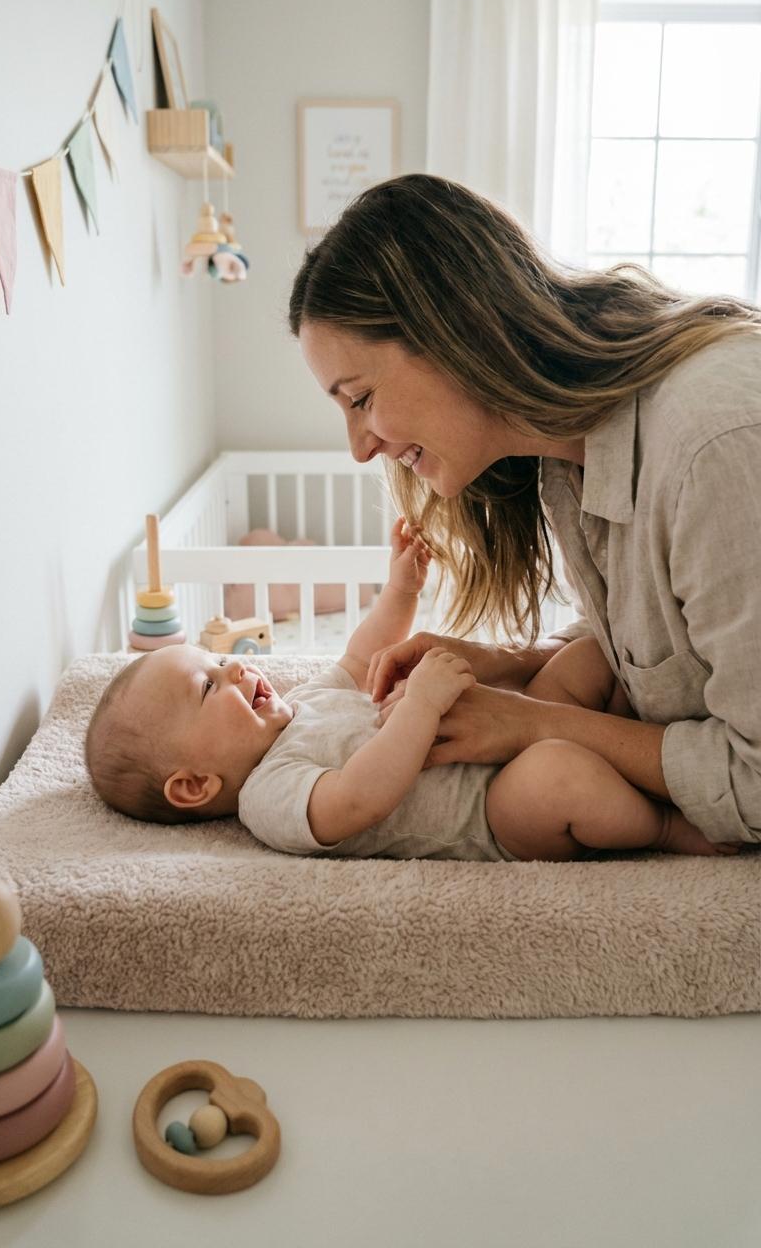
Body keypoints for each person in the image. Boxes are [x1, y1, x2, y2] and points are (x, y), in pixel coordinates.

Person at [288, 172, 761, 848]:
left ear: (453, 331)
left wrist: (535, 722)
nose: (361, 448)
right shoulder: (567, 462)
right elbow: (659, 631)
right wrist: (507, 662)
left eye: (360, 399)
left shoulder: (714, 450)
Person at [86, 520, 736, 861]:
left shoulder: (299, 709)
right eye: (207, 687)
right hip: (494, 809)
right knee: (558, 775)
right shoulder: (268, 796)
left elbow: (361, 655)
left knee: (590, 653)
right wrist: (420, 707)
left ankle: (659, 728)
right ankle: (668, 828)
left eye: (219, 662)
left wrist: (400, 591)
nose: (233, 670)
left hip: (504, 726)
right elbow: (356, 799)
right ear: (194, 784)